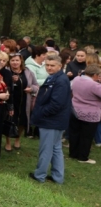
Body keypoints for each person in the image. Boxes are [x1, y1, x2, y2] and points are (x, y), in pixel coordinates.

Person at [30, 52, 70, 183]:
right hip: (55, 120)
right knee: (56, 148)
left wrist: (41, 112)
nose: (49, 68)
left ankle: (39, 175)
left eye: (52, 65)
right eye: (47, 65)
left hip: (52, 121)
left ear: (60, 66)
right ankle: (58, 177)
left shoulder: (61, 80)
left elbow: (56, 104)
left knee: (46, 149)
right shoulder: (54, 77)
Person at [68, 64, 101, 164]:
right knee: (86, 136)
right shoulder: (94, 85)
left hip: (75, 110)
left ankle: (73, 153)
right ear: (95, 74)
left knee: (74, 133)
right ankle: (82, 157)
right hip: (90, 114)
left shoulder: (77, 79)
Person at [5, 53, 31, 151]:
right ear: (9, 62)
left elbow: (35, 85)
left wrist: (31, 88)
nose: (15, 62)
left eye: (17, 60)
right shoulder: (7, 71)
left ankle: (17, 139)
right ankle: (8, 142)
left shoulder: (27, 71)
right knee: (9, 120)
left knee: (22, 121)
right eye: (12, 60)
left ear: (21, 62)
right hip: (10, 99)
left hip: (24, 99)